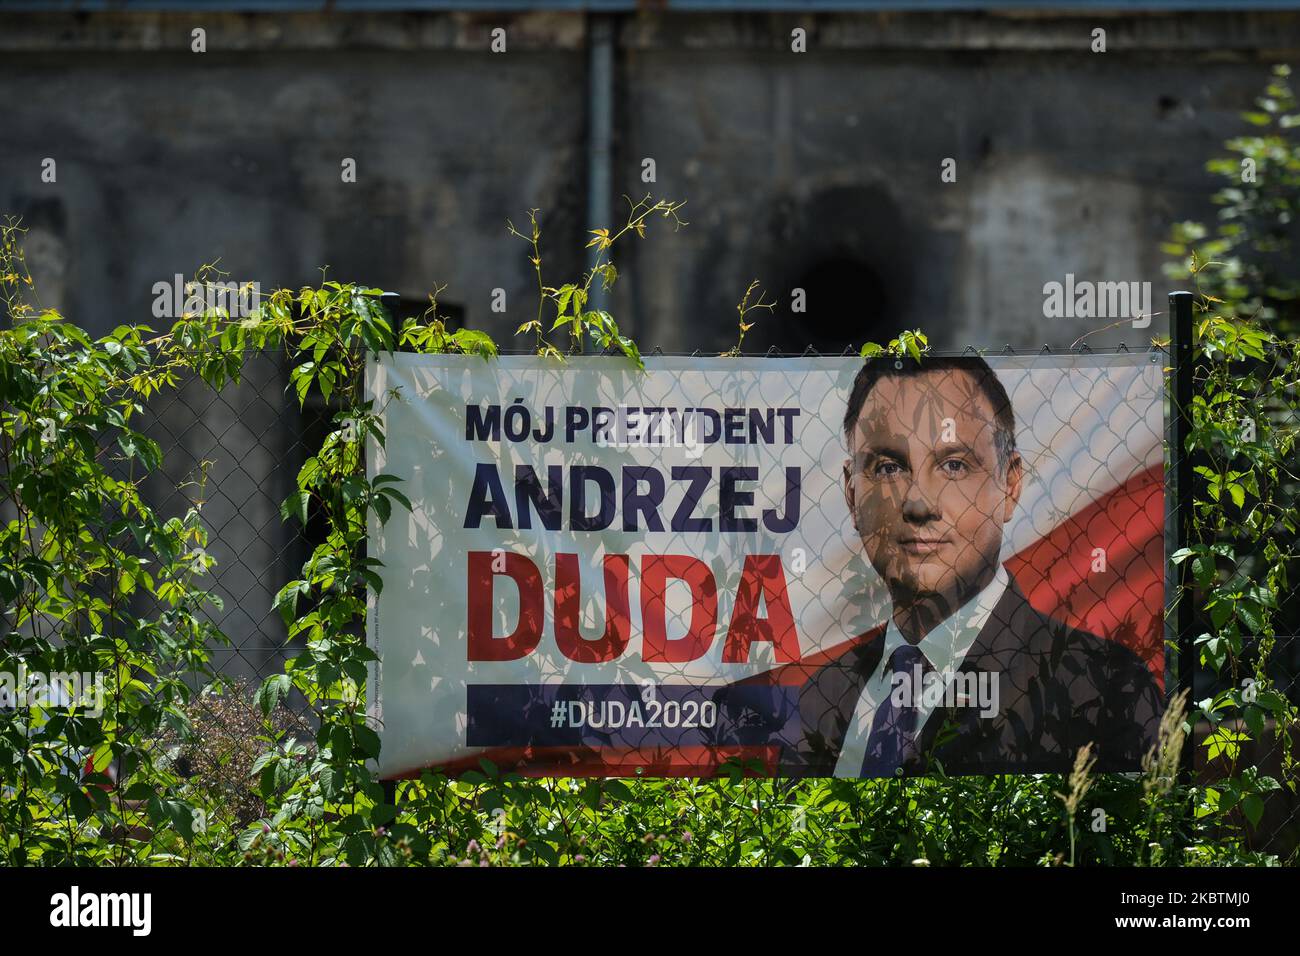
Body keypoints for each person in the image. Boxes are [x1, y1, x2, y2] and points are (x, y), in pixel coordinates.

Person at [765, 355, 1162, 777]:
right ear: (851, 493)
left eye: (954, 465)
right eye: (888, 467)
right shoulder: (818, 701)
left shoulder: (1101, 688)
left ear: (1010, 484)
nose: (918, 503)